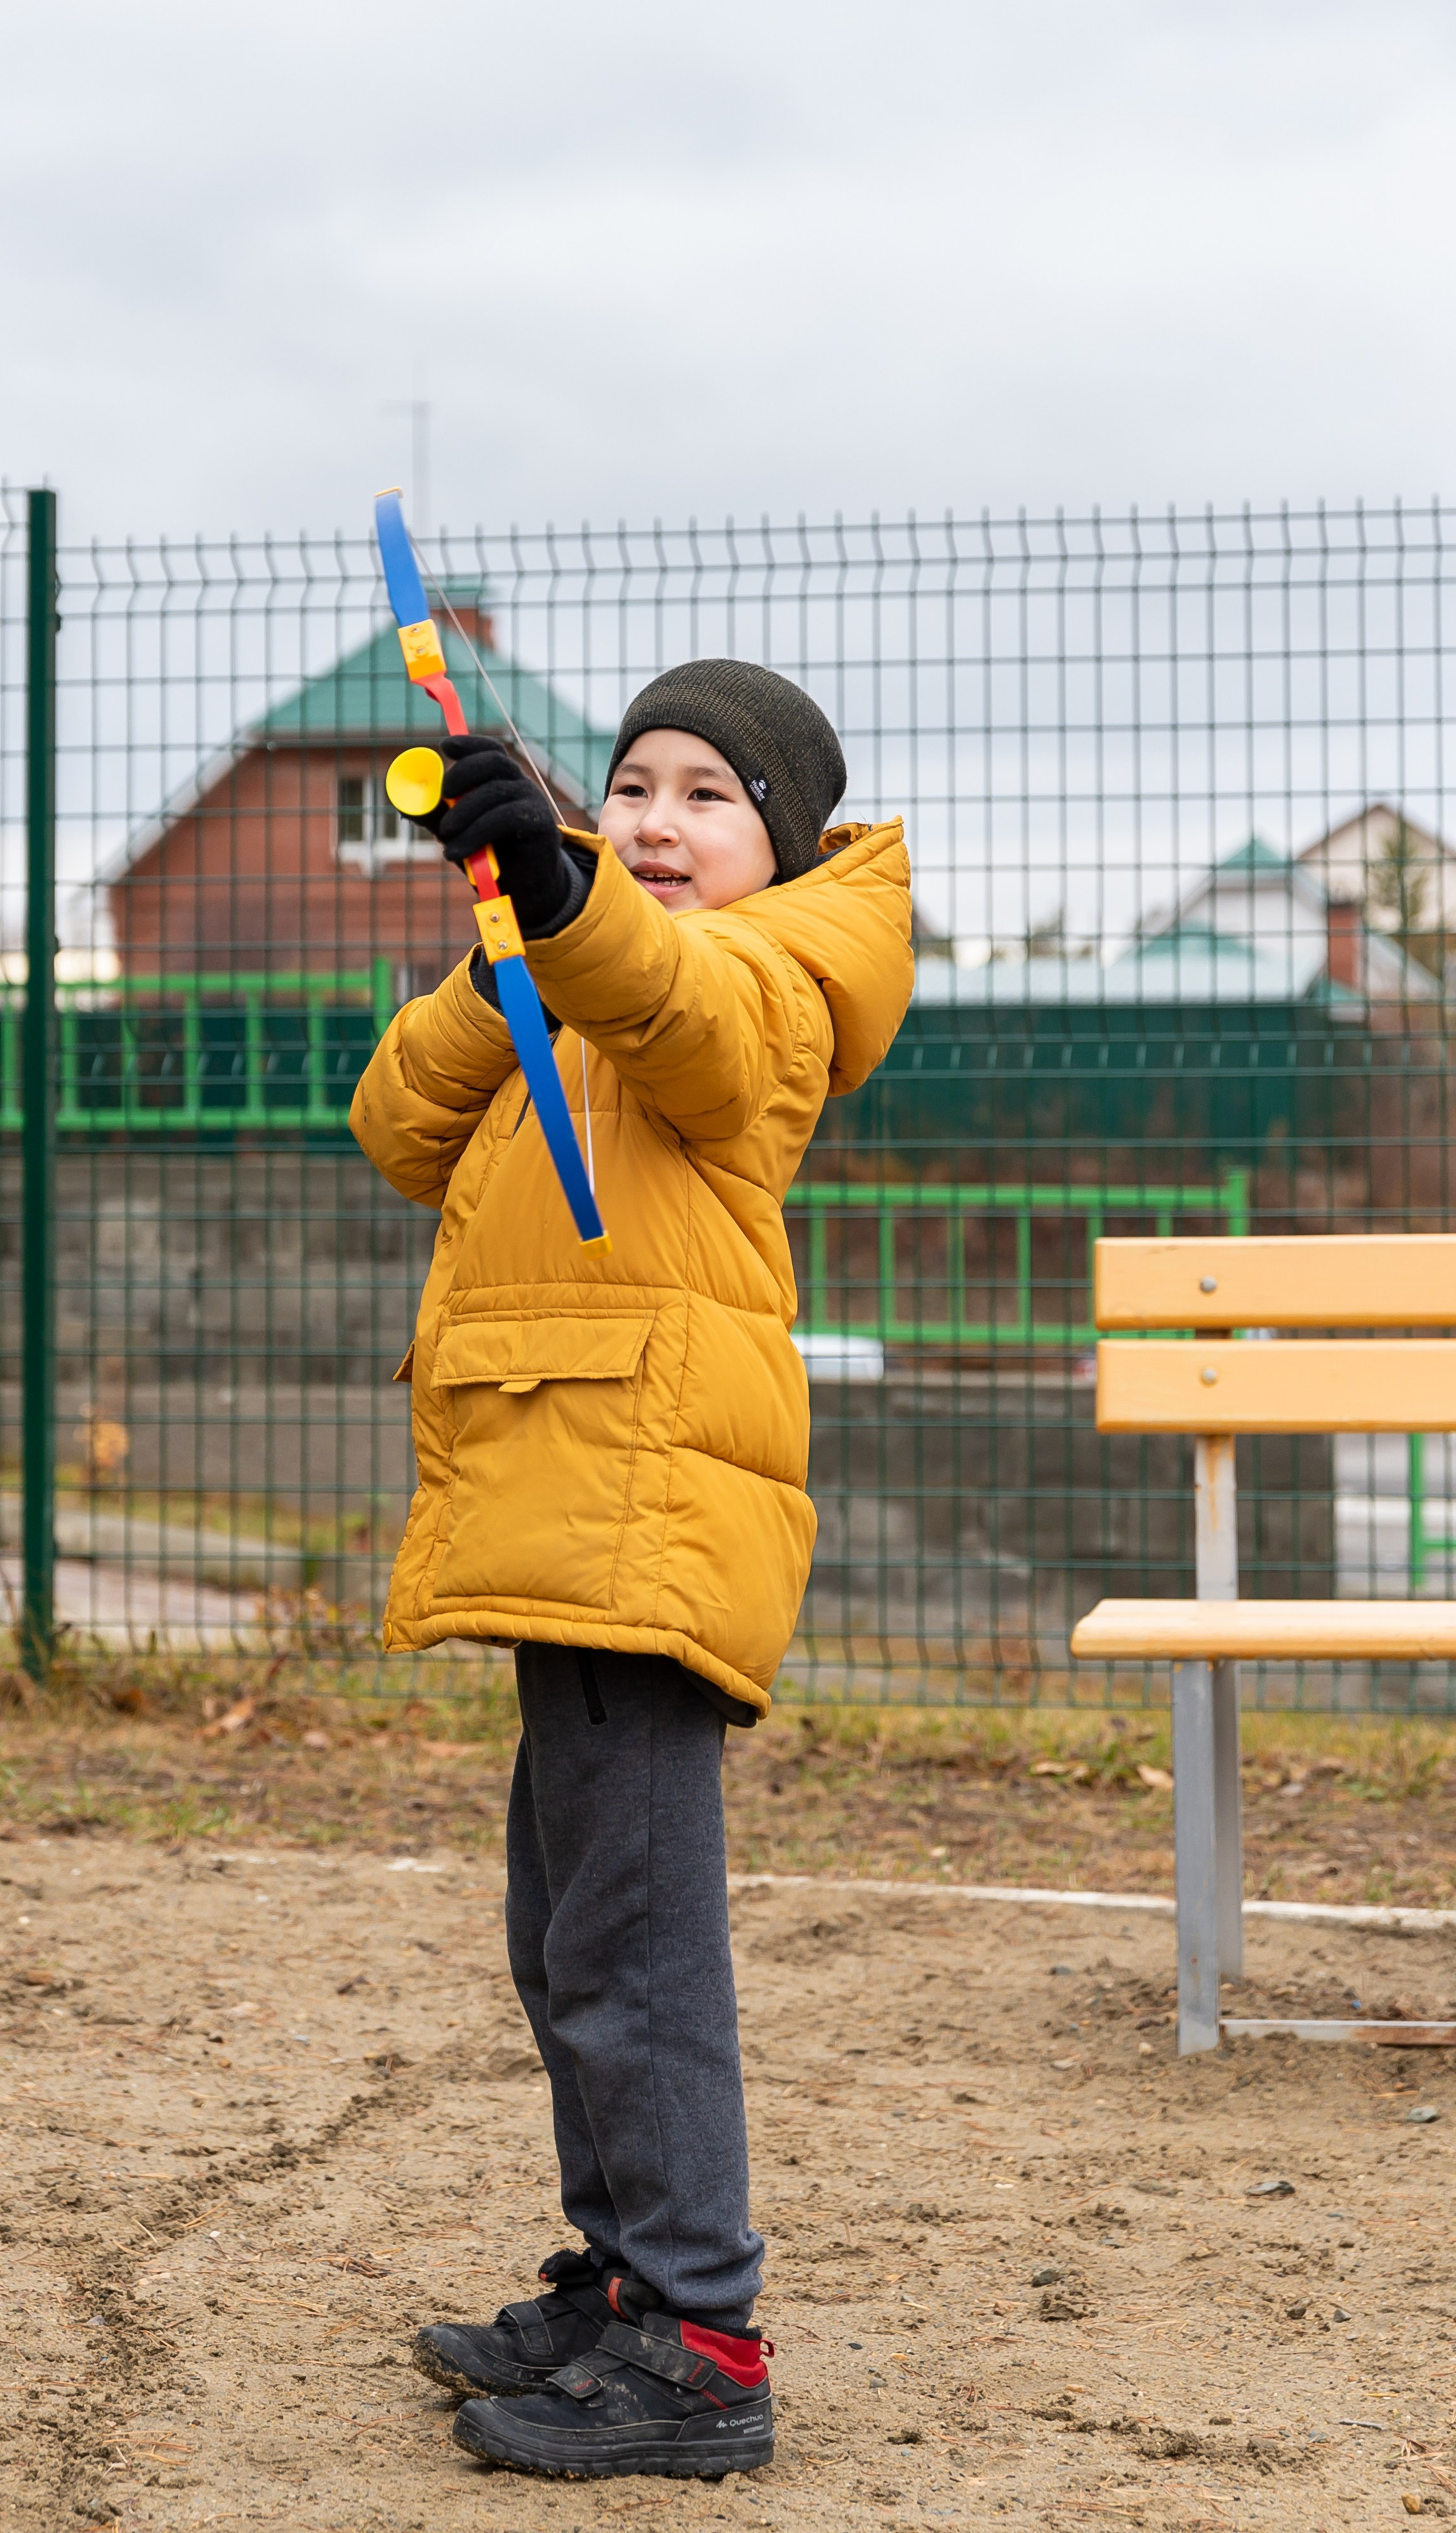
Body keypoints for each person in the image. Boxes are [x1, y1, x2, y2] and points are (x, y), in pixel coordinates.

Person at [349, 660, 914, 2481]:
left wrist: (575, 902)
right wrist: (503, 930)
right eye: (629, 785)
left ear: (786, 846)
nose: (658, 820)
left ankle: (703, 2341)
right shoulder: (564, 990)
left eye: (706, 795)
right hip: (566, 1496)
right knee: (561, 1928)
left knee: (634, 1950)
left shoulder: (776, 985)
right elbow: (399, 1129)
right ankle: (621, 2281)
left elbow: (686, 1013)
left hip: (645, 1508)